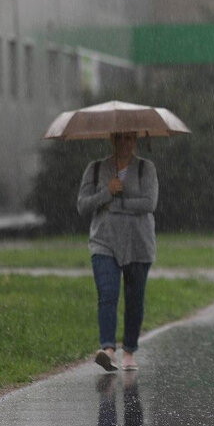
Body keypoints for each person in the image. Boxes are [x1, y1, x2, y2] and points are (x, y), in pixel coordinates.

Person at [77, 132, 158, 372]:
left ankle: (129, 352)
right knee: (107, 295)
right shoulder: (95, 169)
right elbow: (82, 205)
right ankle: (108, 350)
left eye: (130, 138)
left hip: (138, 243)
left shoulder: (146, 168)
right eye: (120, 138)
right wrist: (107, 192)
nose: (125, 143)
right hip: (104, 241)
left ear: (135, 141)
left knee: (134, 300)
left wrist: (115, 204)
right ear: (112, 140)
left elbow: (149, 203)